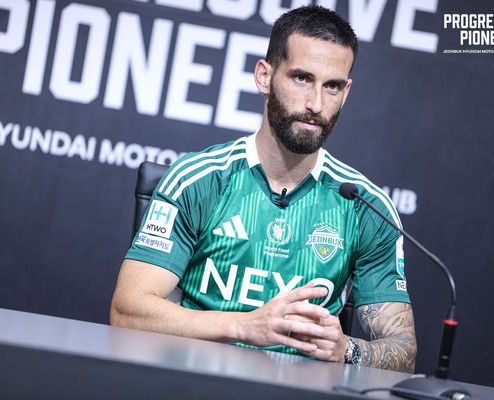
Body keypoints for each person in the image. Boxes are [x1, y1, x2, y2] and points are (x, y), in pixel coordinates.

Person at [110, 5, 417, 373]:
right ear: (264, 76)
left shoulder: (365, 207)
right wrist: (245, 326)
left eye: (332, 86)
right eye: (302, 78)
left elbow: (404, 351)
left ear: (346, 92)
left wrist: (347, 350)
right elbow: (127, 310)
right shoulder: (198, 179)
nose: (316, 104)